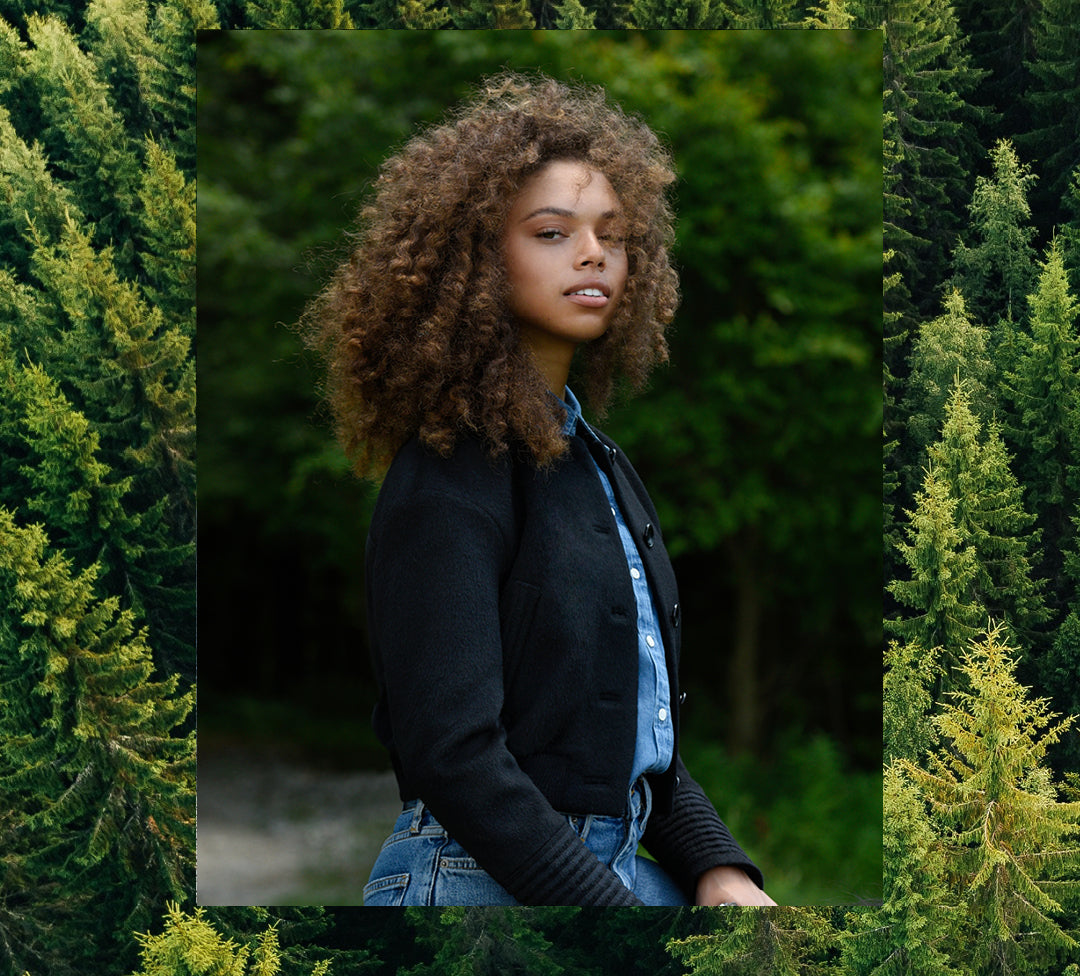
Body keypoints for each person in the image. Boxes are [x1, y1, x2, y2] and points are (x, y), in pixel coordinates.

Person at [304, 73, 776, 907]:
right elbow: (452, 753)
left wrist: (716, 865)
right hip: (483, 884)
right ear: (476, 259)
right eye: (553, 232)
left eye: (613, 235)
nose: (594, 253)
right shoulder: (451, 468)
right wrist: (602, 909)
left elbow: (620, 735)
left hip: (624, 870)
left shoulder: (600, 466)